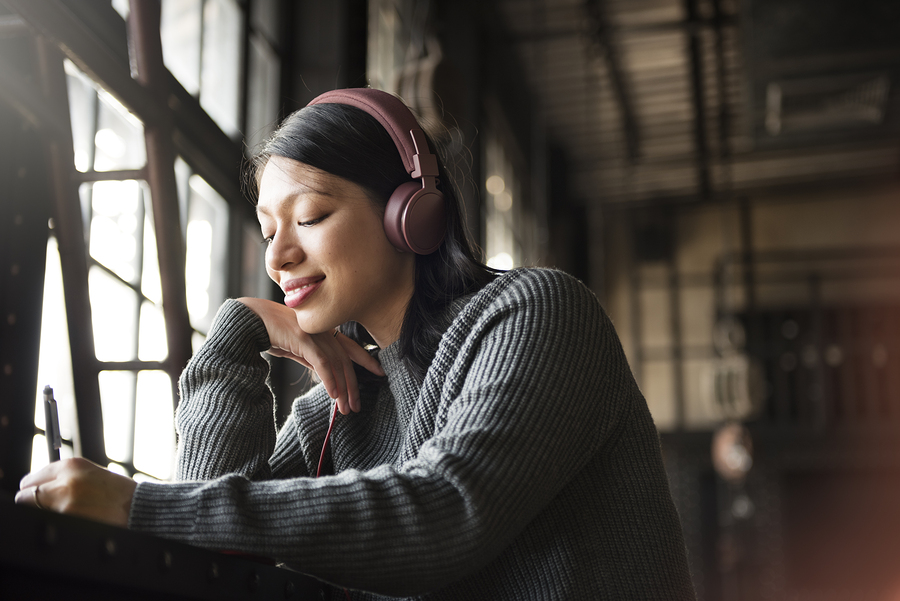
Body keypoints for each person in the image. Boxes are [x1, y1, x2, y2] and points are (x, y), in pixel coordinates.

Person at [16, 88, 696, 600]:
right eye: (267, 228)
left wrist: (137, 506)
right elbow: (212, 553)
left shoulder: (538, 316)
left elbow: (445, 512)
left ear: (410, 214)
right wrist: (237, 333)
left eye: (310, 216)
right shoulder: (335, 412)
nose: (278, 255)